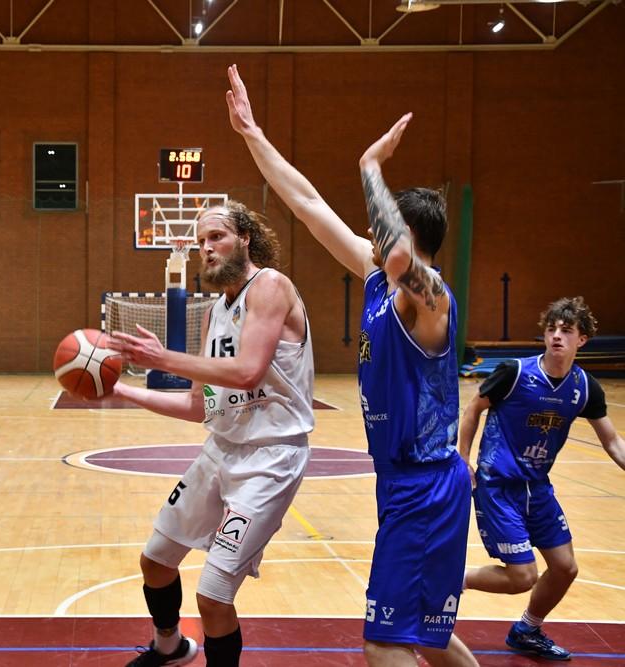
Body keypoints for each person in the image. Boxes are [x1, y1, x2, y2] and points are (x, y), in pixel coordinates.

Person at [226, 64, 477, 666]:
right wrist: (252, 134)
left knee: (382, 643)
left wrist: (370, 167)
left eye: (382, 225)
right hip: (405, 482)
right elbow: (308, 204)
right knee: (429, 640)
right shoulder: (378, 279)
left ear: (407, 236)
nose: (368, 230)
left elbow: (398, 256)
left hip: (425, 486)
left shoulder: (431, 300)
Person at [108, 200, 314, 666]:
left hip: (270, 459)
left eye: (216, 236)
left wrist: (163, 359)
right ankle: (170, 646)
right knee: (155, 561)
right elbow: (199, 405)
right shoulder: (212, 313)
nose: (206, 247)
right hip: (220, 449)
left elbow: (246, 371)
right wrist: (120, 389)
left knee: (214, 595)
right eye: (201, 240)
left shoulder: (271, 286)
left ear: (245, 238)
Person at [460, 297, 625, 661]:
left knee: (565, 568)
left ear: (582, 339)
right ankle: (450, 580)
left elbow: (613, 441)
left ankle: (527, 630)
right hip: (498, 485)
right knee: (522, 577)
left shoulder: (585, 387)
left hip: (537, 487)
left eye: (566, 330)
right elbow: (474, 408)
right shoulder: (515, 373)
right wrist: (463, 458)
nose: (556, 336)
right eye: (551, 329)